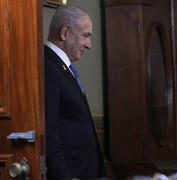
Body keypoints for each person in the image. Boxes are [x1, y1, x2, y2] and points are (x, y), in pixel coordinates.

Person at [44, 5, 106, 179]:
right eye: (86, 36)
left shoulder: (61, 66)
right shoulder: (47, 66)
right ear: (65, 33)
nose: (89, 45)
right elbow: (50, 133)